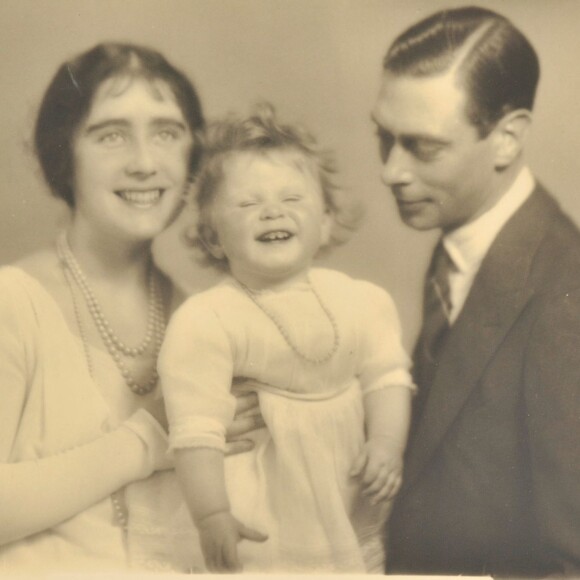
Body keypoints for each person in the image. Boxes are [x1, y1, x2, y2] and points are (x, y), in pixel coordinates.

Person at [0, 42, 263, 574]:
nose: (145, 163)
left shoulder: (210, 323)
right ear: (63, 154)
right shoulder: (11, 303)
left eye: (167, 133)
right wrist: (148, 439)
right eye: (111, 135)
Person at [157, 105, 415, 573]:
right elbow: (196, 430)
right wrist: (211, 513)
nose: (272, 211)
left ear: (325, 223)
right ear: (213, 238)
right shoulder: (207, 319)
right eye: (247, 203)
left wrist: (386, 443)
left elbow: (386, 378)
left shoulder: (362, 301)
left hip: (347, 490)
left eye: (292, 199)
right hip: (261, 507)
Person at [371, 6, 580, 577]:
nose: (391, 170)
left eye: (422, 147)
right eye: (383, 138)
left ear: (507, 138)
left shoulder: (568, 293)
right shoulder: (457, 245)